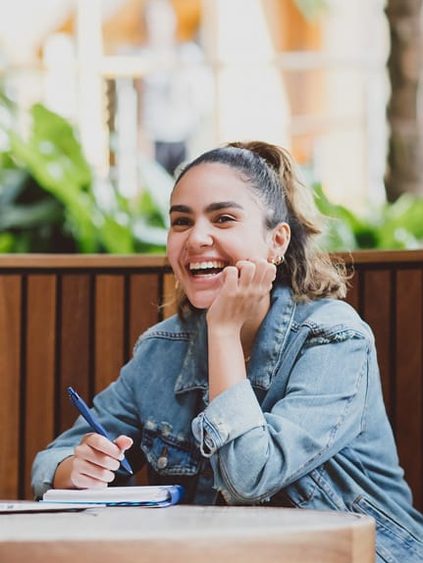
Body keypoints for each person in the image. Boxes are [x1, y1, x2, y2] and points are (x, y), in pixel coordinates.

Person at [32, 141, 423, 562]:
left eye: (223, 218)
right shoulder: (162, 350)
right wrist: (77, 469)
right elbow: (50, 463)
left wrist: (222, 332)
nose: (197, 237)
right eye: (181, 222)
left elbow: (248, 478)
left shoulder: (334, 340)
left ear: (276, 241)